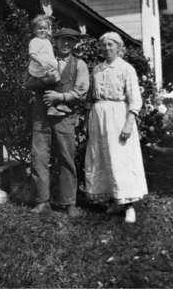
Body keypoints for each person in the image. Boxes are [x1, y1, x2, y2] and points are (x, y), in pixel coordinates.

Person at [84, 32, 148, 223]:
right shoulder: (97, 69)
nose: (107, 48)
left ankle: (129, 206)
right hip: (99, 116)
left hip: (118, 116)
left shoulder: (126, 69)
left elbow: (135, 99)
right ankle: (113, 199)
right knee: (103, 157)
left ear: (119, 47)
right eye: (103, 45)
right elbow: (91, 97)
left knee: (121, 159)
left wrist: (129, 123)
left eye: (111, 44)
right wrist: (89, 120)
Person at [27, 27, 90, 217]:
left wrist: (60, 97)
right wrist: (44, 81)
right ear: (55, 42)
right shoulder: (43, 59)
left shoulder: (79, 65)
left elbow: (81, 92)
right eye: (62, 40)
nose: (66, 44)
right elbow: (28, 82)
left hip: (65, 116)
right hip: (41, 115)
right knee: (39, 158)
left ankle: (69, 202)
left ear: (75, 43)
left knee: (66, 158)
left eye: (70, 40)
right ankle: (42, 201)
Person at [27, 14, 72, 116]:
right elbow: (32, 54)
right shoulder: (35, 41)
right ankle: (52, 106)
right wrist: (42, 62)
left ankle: (57, 104)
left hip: (47, 66)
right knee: (53, 81)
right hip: (40, 67)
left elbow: (49, 54)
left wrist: (54, 62)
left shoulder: (47, 41)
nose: (43, 31)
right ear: (34, 30)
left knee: (55, 83)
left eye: (45, 28)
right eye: (40, 28)